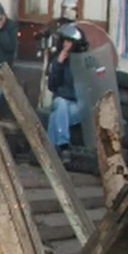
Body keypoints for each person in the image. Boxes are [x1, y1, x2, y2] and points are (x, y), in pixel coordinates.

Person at [45, 23, 85, 161]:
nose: (66, 44)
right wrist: (59, 64)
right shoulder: (58, 59)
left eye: (70, 41)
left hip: (78, 103)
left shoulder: (83, 60)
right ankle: (63, 145)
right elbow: (51, 85)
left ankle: (49, 151)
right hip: (61, 99)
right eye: (65, 41)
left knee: (55, 117)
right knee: (61, 104)